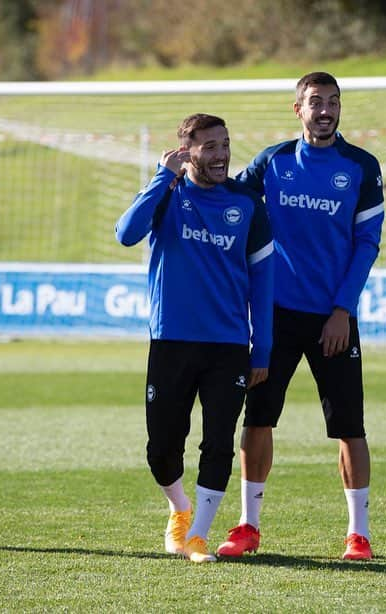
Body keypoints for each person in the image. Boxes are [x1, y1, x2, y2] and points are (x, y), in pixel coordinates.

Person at [217, 72, 385, 561]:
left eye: (333, 102)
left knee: (349, 425)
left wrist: (342, 310)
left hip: (333, 318)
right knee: (259, 417)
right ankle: (248, 525)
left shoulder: (360, 166)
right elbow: (229, 197)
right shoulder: (273, 161)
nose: (326, 110)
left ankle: (359, 534)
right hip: (274, 318)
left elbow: (366, 245)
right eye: (316, 102)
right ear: (298, 109)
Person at [114, 113, 274, 563]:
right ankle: (180, 508)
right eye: (210, 146)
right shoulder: (167, 194)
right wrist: (162, 177)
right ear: (187, 152)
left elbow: (263, 282)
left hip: (227, 346)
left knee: (219, 441)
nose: (222, 154)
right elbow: (126, 234)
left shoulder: (246, 203)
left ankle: (199, 536)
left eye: (225, 144)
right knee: (161, 448)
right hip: (170, 340)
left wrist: (260, 348)